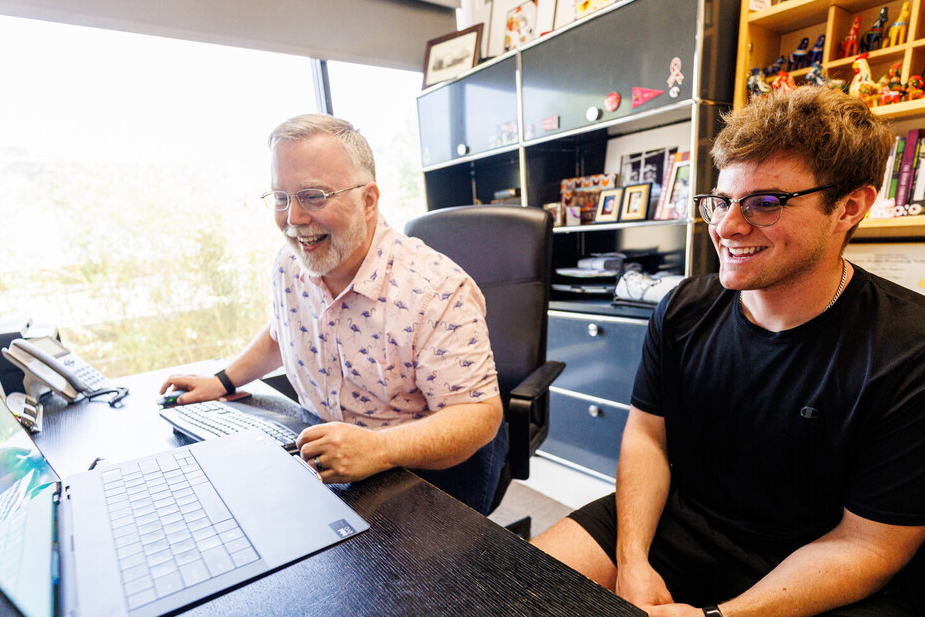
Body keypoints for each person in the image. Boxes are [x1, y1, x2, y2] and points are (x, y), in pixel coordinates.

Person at [532, 86, 925, 616]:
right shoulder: (683, 308)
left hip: (818, 564)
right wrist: (632, 560)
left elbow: (869, 545)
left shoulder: (908, 348)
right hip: (681, 522)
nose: (726, 226)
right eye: (721, 201)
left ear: (849, 208)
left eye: (765, 203)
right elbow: (647, 436)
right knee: (510, 593)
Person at [160, 114, 504, 515]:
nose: (293, 219)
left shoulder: (435, 289)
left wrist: (377, 448)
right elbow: (282, 331)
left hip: (422, 465)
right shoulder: (290, 264)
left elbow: (479, 415)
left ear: (368, 201)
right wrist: (221, 381)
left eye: (314, 196)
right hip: (328, 450)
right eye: (281, 198)